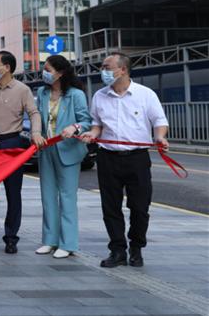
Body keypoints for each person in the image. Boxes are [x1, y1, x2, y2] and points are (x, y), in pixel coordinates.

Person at [81, 52, 168, 268]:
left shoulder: (145, 94)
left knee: (140, 207)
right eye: (102, 67)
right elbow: (96, 124)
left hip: (137, 158)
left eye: (107, 67)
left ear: (123, 70)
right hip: (108, 156)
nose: (103, 71)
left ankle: (136, 247)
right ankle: (117, 250)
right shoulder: (100, 96)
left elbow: (159, 120)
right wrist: (92, 134)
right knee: (110, 207)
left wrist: (160, 137)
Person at [0, 51, 44, 254]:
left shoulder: (23, 90)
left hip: (12, 144)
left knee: (13, 193)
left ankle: (11, 238)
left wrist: (36, 133)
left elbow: (34, 113)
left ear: (7, 67)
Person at [34, 55, 91, 259]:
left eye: (48, 69)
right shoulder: (42, 92)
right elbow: (37, 118)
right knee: (47, 196)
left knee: (67, 197)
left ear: (61, 72)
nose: (44, 72)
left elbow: (86, 121)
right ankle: (49, 240)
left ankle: (68, 243)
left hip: (67, 149)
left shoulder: (75, 95)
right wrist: (36, 133)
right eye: (44, 68)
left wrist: (74, 127)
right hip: (46, 149)